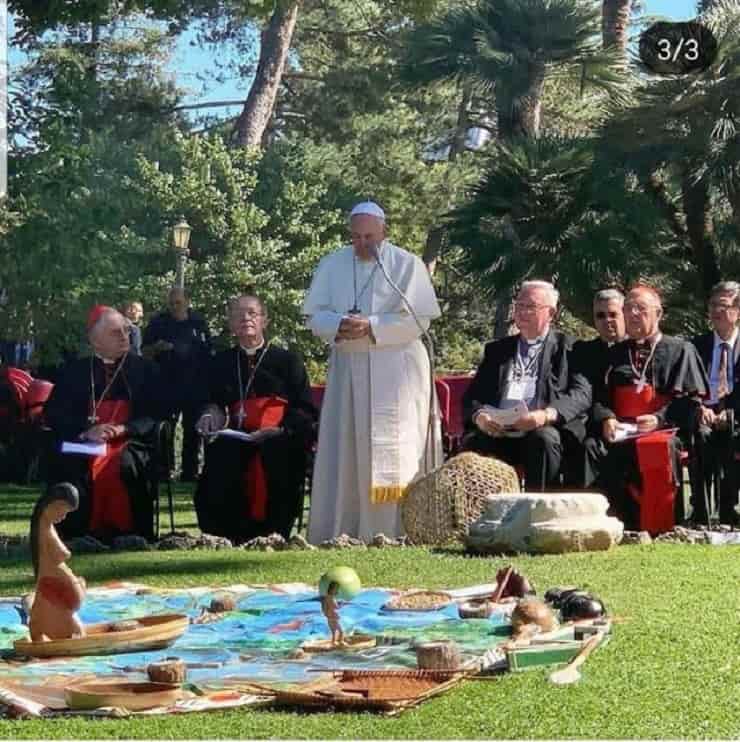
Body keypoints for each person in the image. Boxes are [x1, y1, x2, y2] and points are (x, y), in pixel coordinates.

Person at [303, 201, 441, 543]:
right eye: (357, 237)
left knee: (400, 452)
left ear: (385, 233)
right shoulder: (332, 264)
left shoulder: (406, 265)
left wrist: (373, 325)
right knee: (347, 452)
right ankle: (346, 529)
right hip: (349, 368)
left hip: (397, 371)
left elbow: (419, 319)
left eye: (370, 237)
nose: (364, 244)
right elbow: (314, 316)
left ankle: (400, 530)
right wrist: (338, 324)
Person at [194, 294, 316, 544]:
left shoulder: (288, 361)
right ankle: (226, 535)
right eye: (238, 315)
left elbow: (303, 408)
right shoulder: (220, 363)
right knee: (219, 461)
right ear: (230, 324)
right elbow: (213, 402)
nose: (245, 319)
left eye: (251, 313)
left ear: (264, 320)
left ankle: (274, 533)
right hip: (237, 436)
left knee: (280, 458)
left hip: (279, 436)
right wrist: (209, 416)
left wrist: (280, 429)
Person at [44, 306, 166, 541]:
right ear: (95, 341)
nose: (124, 336)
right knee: (70, 463)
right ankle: (77, 534)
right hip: (84, 442)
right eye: (115, 332)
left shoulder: (147, 370)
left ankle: (129, 532)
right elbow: (55, 413)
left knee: (127, 462)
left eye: (126, 330)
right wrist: (85, 430)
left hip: (131, 441)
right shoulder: (74, 371)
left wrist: (124, 428)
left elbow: (157, 413)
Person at [592, 286, 708, 532]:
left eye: (641, 309)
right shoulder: (614, 354)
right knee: (591, 446)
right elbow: (599, 397)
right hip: (621, 429)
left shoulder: (680, 350)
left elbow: (691, 401)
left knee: (657, 446)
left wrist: (658, 419)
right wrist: (607, 418)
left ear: (658, 313)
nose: (633, 314)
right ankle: (611, 522)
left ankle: (658, 524)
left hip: (663, 429)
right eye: (628, 309)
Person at [462, 280, 591, 490]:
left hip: (540, 429)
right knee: (474, 443)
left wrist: (545, 415)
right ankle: (479, 517)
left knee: (543, 440)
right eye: (519, 305)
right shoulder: (498, 350)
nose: (522, 312)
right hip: (499, 431)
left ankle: (537, 514)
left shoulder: (571, 348)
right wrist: (480, 417)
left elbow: (581, 394)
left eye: (530, 307)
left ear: (551, 313)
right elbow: (472, 397)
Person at [142, 288, 211, 481]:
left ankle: (190, 471)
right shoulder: (158, 322)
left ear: (188, 301)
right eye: (171, 303)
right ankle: (164, 470)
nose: (174, 307)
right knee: (166, 428)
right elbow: (144, 351)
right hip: (166, 384)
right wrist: (157, 348)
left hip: (193, 385)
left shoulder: (198, 322)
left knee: (192, 429)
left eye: (178, 303)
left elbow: (208, 351)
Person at [690, 281, 740, 525]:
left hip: (736, 418)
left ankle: (729, 511)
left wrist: (730, 413)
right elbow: (686, 386)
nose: (715, 311)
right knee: (699, 436)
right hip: (704, 415)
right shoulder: (694, 347)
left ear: (738, 311)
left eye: (722, 305)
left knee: (733, 435)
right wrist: (700, 408)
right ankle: (700, 512)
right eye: (712, 305)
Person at [568, 289, 627, 487]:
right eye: (600, 316)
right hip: (595, 423)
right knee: (585, 445)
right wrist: (605, 417)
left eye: (613, 314)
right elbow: (585, 392)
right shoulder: (583, 352)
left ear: (624, 314)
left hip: (634, 422)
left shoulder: (638, 349)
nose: (606, 320)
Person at [28, 483, 86, 641]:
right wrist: (67, 552)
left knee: (46, 605)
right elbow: (61, 553)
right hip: (52, 577)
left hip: (50, 577)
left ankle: (38, 626)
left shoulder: (45, 526)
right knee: (59, 608)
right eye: (63, 510)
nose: (64, 516)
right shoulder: (45, 529)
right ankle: (46, 628)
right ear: (53, 504)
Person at [320, 582, 344, 646]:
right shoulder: (331, 598)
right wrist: (341, 605)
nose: (337, 590)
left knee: (333, 631)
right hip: (333, 616)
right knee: (341, 631)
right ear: (333, 589)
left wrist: (326, 614)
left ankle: (333, 642)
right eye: (336, 589)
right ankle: (340, 642)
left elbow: (324, 607)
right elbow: (335, 607)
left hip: (329, 616)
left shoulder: (326, 597)